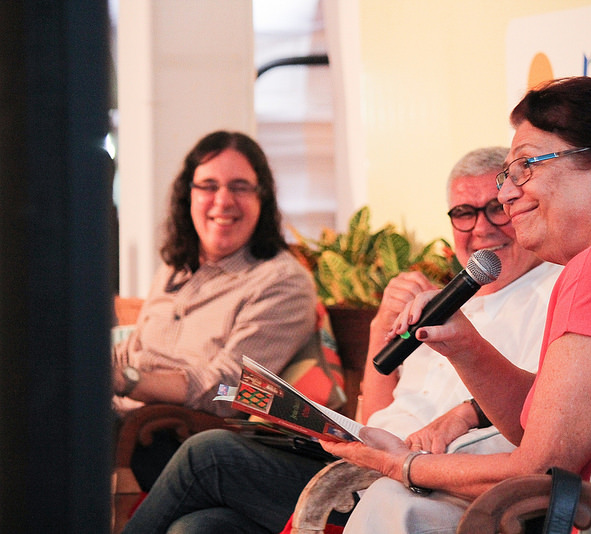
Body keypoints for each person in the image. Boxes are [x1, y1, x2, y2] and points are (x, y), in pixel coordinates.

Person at [121, 146, 564, 534]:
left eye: (496, 210)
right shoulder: (446, 297)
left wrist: (463, 415)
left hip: (420, 488)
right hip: (357, 465)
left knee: (208, 455)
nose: (481, 228)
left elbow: (541, 405)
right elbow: (374, 416)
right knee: (198, 527)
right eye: (464, 214)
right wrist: (379, 328)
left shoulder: (552, 290)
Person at [321, 76, 591, 534]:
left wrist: (404, 464)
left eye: (526, 166)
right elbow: (552, 428)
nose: (506, 194)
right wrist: (465, 345)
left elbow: (539, 470)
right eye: (509, 173)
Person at [112, 130, 320, 486]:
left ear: (262, 198)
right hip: (124, 420)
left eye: (240, 187)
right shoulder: (174, 269)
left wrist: (127, 380)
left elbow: (229, 390)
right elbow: (131, 352)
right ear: (188, 196)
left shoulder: (282, 282)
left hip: (188, 440)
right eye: (208, 185)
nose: (223, 201)